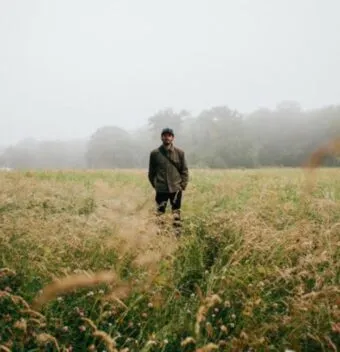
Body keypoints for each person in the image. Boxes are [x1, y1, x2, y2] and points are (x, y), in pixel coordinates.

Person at [148, 127, 189, 236]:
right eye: (165, 135)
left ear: (173, 138)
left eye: (169, 135)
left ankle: (177, 236)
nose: (167, 137)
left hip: (176, 188)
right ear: (161, 137)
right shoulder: (154, 154)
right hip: (161, 189)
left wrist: (182, 186)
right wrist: (156, 185)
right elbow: (151, 173)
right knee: (160, 214)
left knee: (176, 213)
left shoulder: (180, 153)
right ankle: (160, 236)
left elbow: (184, 170)